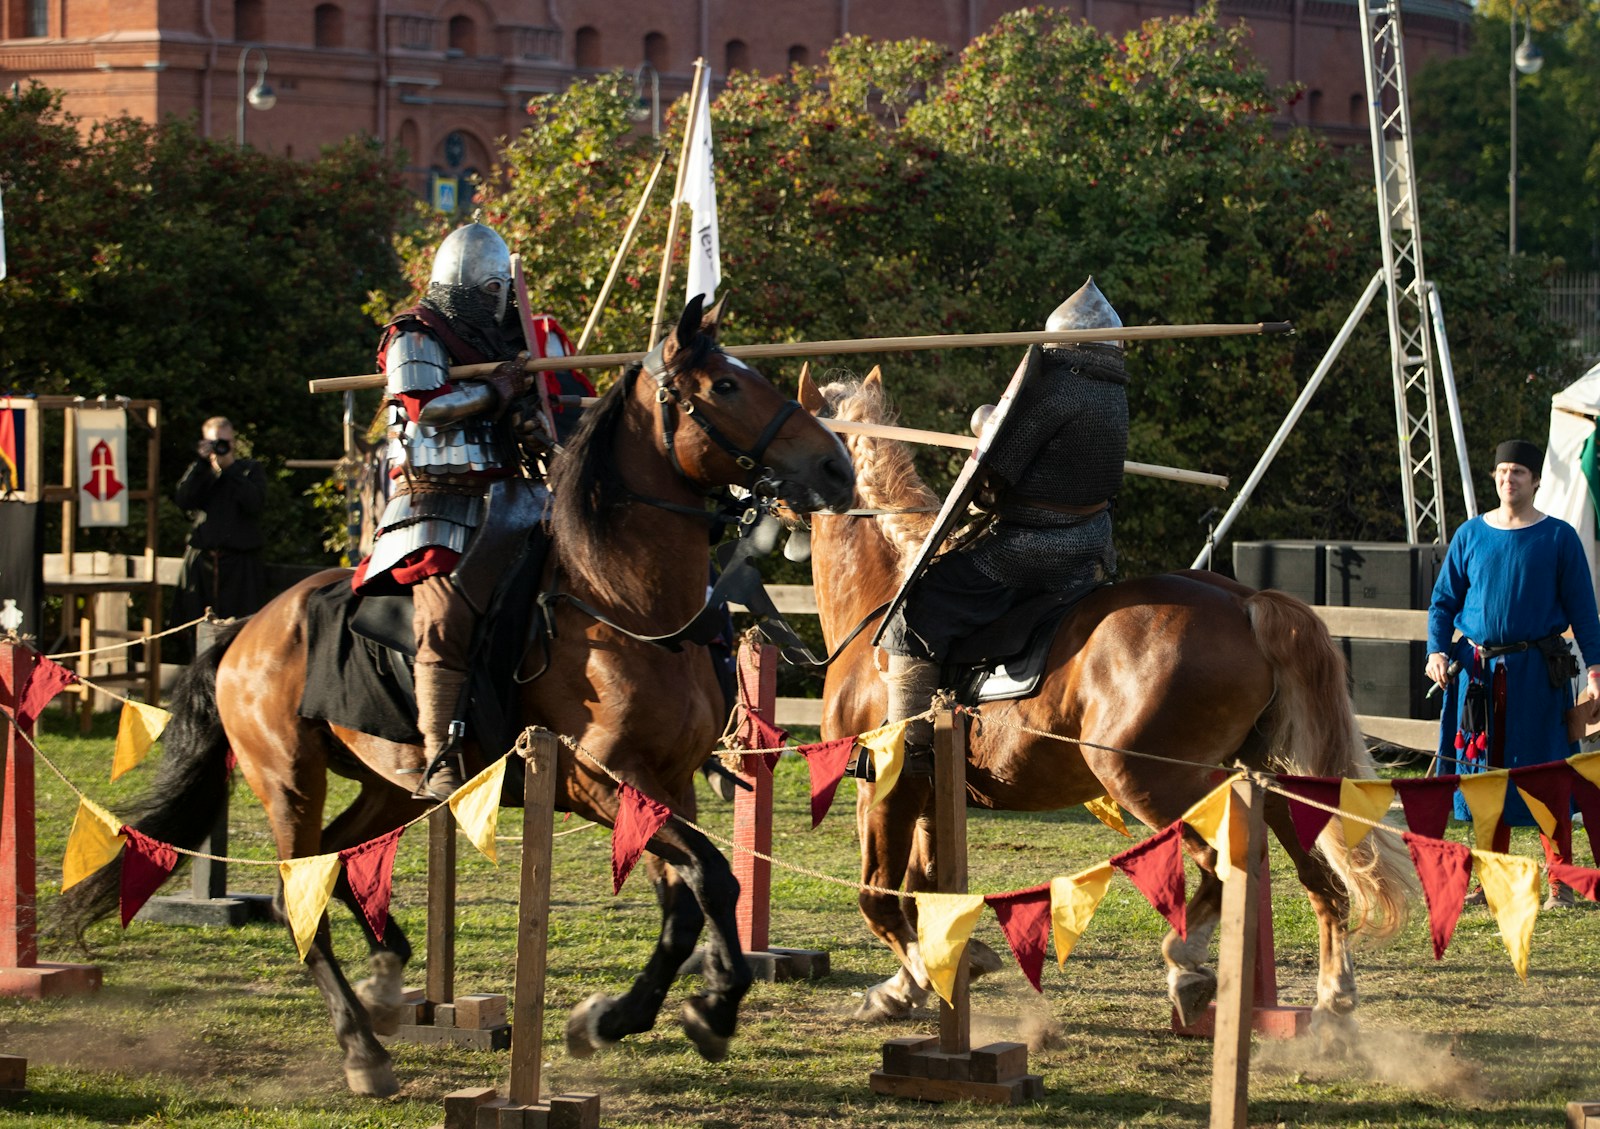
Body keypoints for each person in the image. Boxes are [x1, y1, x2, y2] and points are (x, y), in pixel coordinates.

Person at [874, 277, 1128, 767]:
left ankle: (911, 747)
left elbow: (998, 475)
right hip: (1089, 546)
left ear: (1060, 343)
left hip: (1030, 550)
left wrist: (989, 433)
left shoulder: (1056, 391)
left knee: (921, 601)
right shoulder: (1113, 396)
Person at [351, 221, 544, 799]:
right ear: (472, 286)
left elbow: (507, 417)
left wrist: (526, 417)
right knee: (445, 621)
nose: (498, 303)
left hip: (508, 499)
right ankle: (439, 756)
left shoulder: (490, 344)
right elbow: (426, 407)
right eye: (492, 291)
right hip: (434, 502)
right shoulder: (414, 335)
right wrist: (496, 392)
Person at [1426, 438, 1600, 909]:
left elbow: (1584, 612)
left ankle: (1561, 881)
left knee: (1547, 775)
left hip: (1537, 676)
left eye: (1518, 472)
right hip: (1479, 676)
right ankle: (1493, 880)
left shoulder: (1558, 537)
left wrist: (1596, 670)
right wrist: (1436, 652)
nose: (1508, 479)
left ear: (1536, 480)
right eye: (1502, 471)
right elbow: (1443, 603)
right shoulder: (1470, 535)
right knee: (1486, 776)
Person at [170, 416, 267, 656]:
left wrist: (231, 469)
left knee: (242, 629)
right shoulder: (200, 473)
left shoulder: (249, 470)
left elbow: (255, 504)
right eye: (215, 442)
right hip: (202, 564)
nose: (222, 447)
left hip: (240, 566)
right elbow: (183, 499)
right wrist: (203, 465)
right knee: (197, 626)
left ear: (234, 442)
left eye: (226, 442)